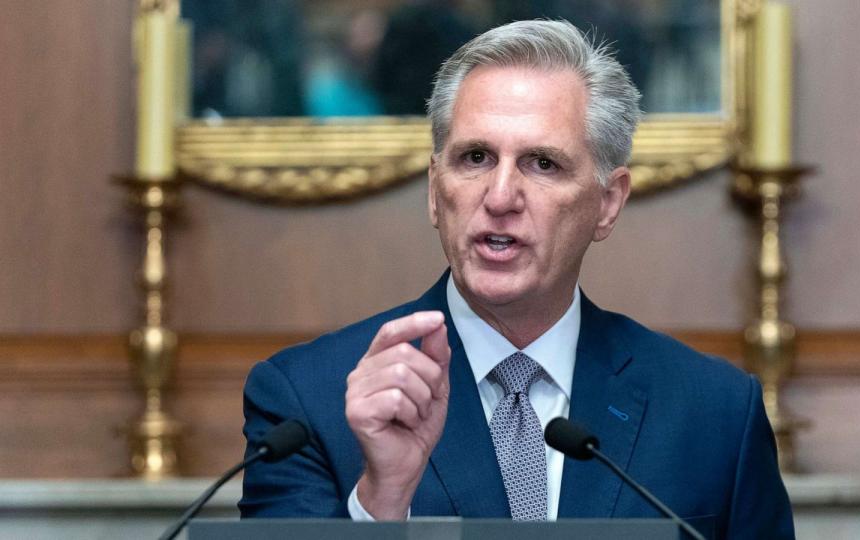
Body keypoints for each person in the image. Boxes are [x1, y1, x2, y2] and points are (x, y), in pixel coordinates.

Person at [239, 20, 794, 539]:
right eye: (476, 158)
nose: (500, 197)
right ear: (436, 190)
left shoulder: (714, 413)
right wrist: (383, 501)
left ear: (607, 202)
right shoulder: (307, 400)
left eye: (542, 164)